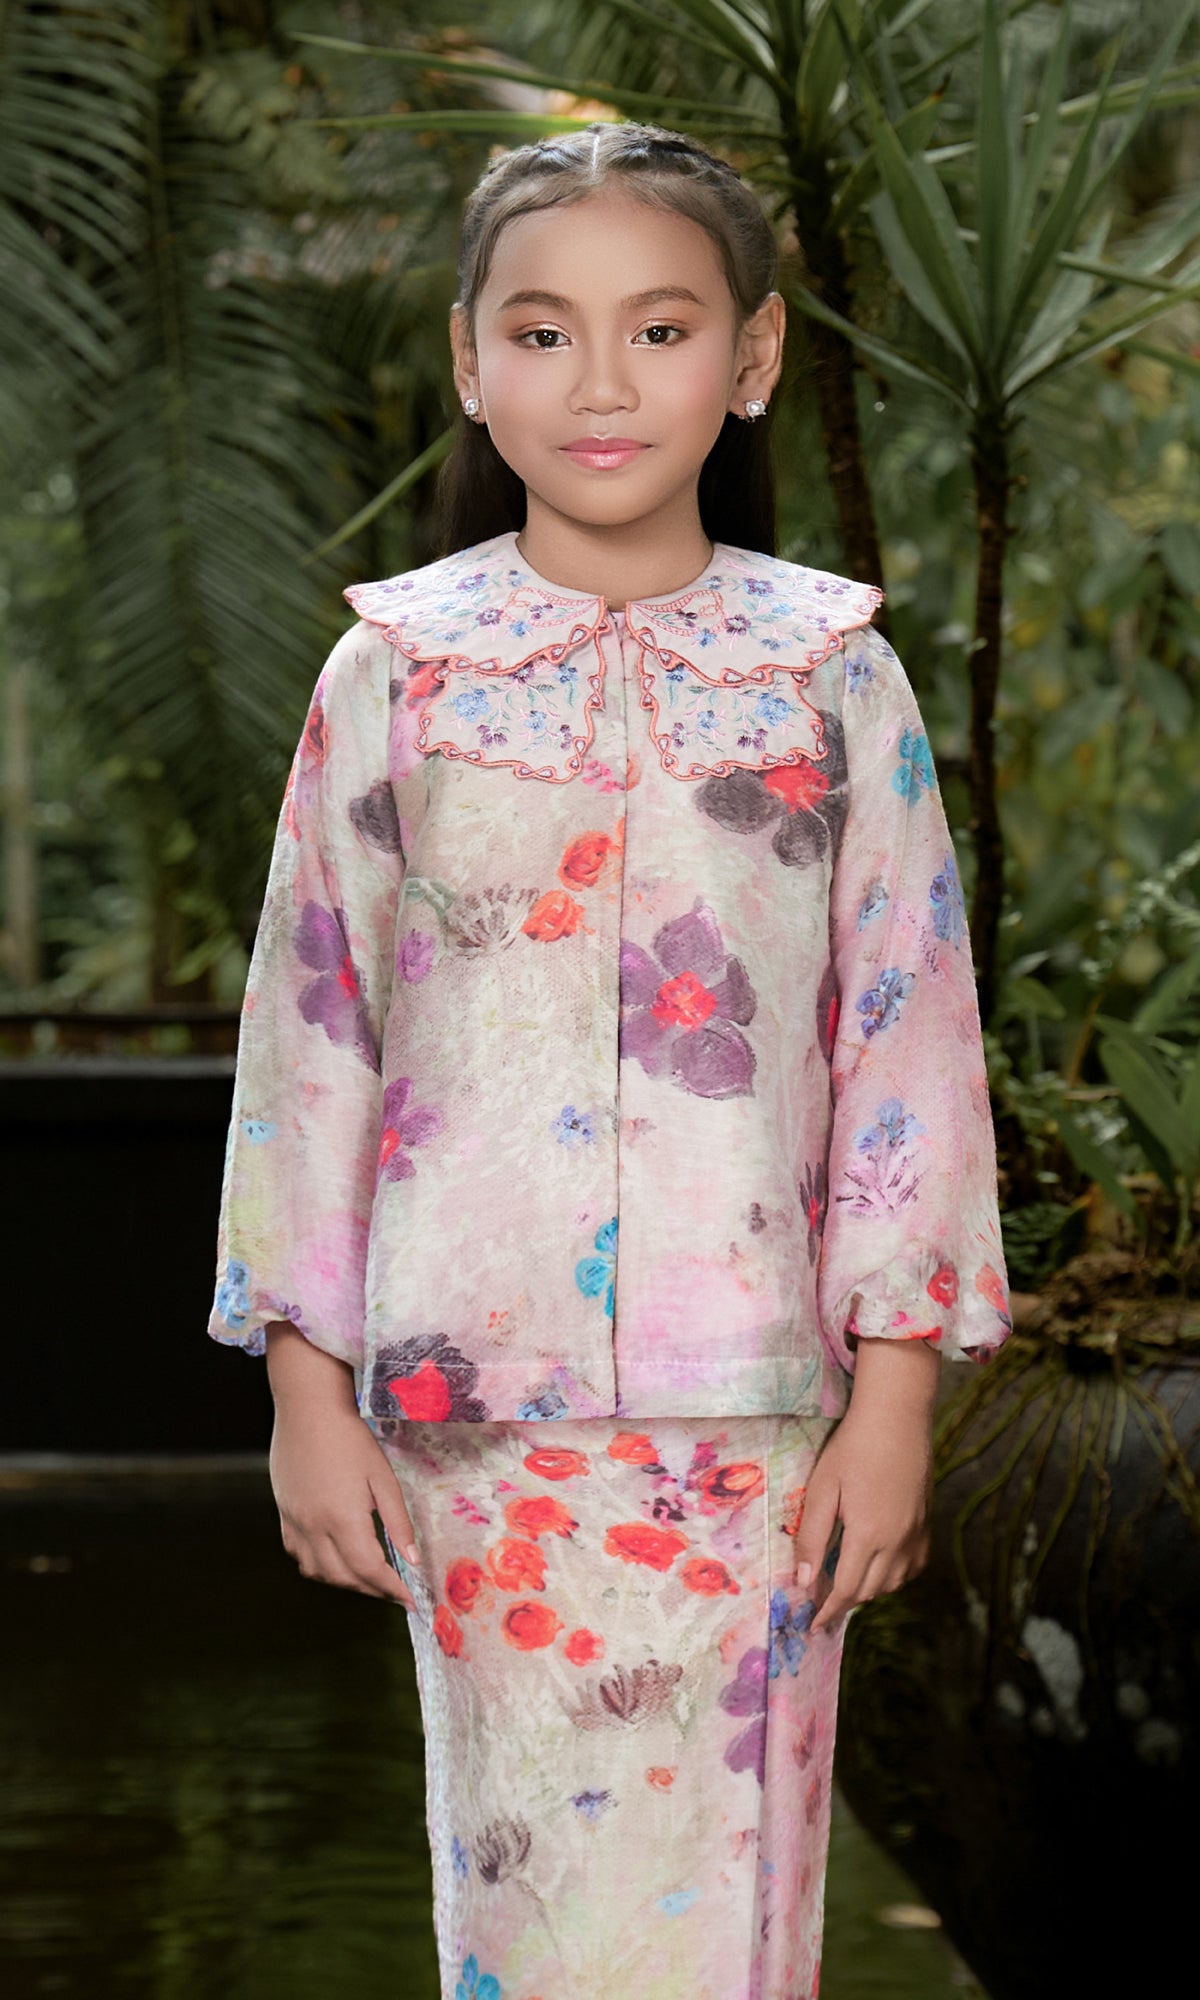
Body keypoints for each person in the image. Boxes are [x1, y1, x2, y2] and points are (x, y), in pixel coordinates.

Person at [208, 120, 1011, 2000]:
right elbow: (312, 1034)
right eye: (542, 331)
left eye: (659, 328)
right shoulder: (395, 673)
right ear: (471, 363)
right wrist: (305, 1394)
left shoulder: (831, 673)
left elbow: (907, 1035)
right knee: (522, 1923)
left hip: (761, 1416)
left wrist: (896, 1404)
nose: (600, 383)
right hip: (470, 1416)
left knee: (735, 1921)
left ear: (753, 355)